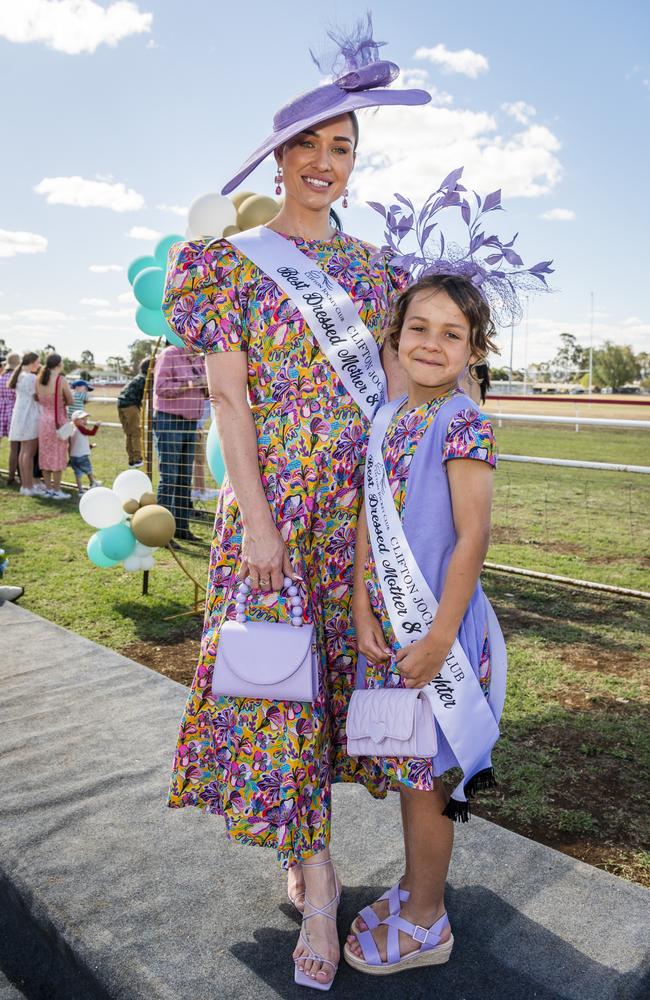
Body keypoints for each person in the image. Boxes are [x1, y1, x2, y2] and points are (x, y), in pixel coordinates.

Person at [163, 16, 431, 990]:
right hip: (268, 519)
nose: (324, 163)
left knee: (322, 700)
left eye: (341, 147)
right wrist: (263, 520)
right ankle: (318, 886)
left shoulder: (378, 274)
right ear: (277, 157)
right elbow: (230, 400)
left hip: (352, 522)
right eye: (308, 145)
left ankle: (298, 840)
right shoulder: (227, 266)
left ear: (354, 163)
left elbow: (397, 407)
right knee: (276, 689)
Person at [344, 273, 503, 975]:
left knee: (427, 780)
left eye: (452, 333)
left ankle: (427, 918)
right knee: (409, 764)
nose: (432, 344)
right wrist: (356, 602)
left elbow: (472, 538)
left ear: (473, 349)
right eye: (419, 328)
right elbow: (362, 522)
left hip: (438, 635)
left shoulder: (463, 419)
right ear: (395, 335)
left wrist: (439, 638)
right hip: (390, 627)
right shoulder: (389, 414)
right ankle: (414, 887)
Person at [152, 345, 206, 541]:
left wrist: (208, 385)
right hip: (170, 421)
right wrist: (192, 384)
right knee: (170, 477)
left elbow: (206, 390)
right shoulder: (170, 355)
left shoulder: (199, 359)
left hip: (191, 423)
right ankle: (162, 531)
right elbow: (161, 388)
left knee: (184, 478)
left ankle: (181, 529)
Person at [36, 353, 73, 500]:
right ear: (58, 364)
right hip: (58, 420)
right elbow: (70, 400)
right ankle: (57, 490)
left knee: (45, 453)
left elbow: (37, 398)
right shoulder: (60, 380)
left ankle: (48, 488)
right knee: (58, 454)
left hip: (43, 420)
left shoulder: (39, 379)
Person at [8, 352, 45, 497]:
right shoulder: (31, 378)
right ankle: (29, 486)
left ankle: (25, 484)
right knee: (29, 453)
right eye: (38, 362)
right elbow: (38, 396)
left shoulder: (20, 376)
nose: (39, 365)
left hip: (19, 416)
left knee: (23, 452)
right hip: (30, 416)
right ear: (33, 362)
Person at [116, 358, 150, 467]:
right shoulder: (145, 379)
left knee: (129, 432)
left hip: (121, 403)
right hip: (130, 405)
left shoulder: (138, 377)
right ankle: (137, 458)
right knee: (136, 432)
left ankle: (131, 458)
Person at [69, 410, 102, 493]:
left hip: (73, 456)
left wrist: (90, 446)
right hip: (81, 456)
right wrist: (96, 426)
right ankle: (92, 483)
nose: (85, 421)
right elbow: (92, 433)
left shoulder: (73, 430)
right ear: (75, 421)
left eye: (86, 419)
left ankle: (80, 491)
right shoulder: (80, 429)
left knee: (78, 474)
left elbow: (79, 443)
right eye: (82, 419)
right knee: (89, 470)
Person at [0, 353, 20, 484]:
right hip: (13, 411)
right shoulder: (16, 379)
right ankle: (12, 476)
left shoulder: (1, 377)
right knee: (15, 448)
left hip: (0, 409)